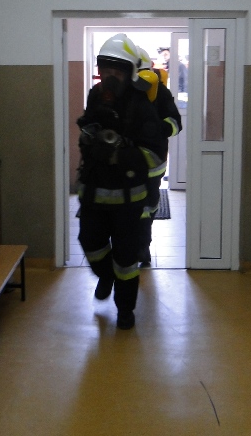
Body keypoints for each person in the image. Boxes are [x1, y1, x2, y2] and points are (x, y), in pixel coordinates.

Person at [76, 34, 167, 330]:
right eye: (106, 69)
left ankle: (125, 310)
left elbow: (154, 155)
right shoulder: (95, 96)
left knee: (126, 259)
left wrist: (120, 155)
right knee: (90, 243)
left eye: (118, 70)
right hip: (93, 193)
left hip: (129, 199)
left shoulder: (141, 105)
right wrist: (89, 141)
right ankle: (105, 275)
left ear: (130, 73)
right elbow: (87, 131)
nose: (111, 76)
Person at [135, 47, 182, 267]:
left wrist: (156, 128)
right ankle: (132, 246)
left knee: (148, 206)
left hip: (153, 163)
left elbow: (175, 123)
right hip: (126, 162)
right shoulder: (121, 92)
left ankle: (143, 247)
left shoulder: (160, 92)